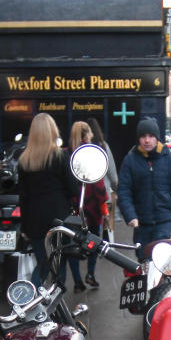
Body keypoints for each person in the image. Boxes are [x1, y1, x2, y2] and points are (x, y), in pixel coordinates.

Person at [17, 113, 79, 288]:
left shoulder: (24, 161)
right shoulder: (60, 157)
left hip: (35, 222)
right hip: (58, 220)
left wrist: (24, 227)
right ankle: (56, 308)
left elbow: (23, 197)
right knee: (59, 267)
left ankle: (32, 302)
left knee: (43, 265)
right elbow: (73, 189)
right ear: (52, 131)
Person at [117, 117, 171, 260]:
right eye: (143, 136)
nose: (147, 140)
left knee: (160, 260)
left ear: (157, 138)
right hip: (141, 224)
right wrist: (130, 215)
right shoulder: (130, 160)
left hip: (163, 222)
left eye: (151, 136)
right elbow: (124, 191)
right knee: (143, 259)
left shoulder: (169, 158)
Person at [69, 121, 109, 289]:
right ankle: (90, 274)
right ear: (86, 135)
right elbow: (98, 183)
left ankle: (77, 281)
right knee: (93, 242)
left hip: (72, 208)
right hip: (91, 208)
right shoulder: (90, 153)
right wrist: (104, 207)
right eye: (90, 133)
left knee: (72, 245)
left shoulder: (67, 154)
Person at [87, 118, 118, 241]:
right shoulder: (104, 146)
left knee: (90, 225)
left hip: (87, 197)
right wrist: (116, 188)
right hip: (105, 194)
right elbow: (112, 172)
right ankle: (106, 247)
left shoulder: (81, 149)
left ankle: (91, 247)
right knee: (107, 224)